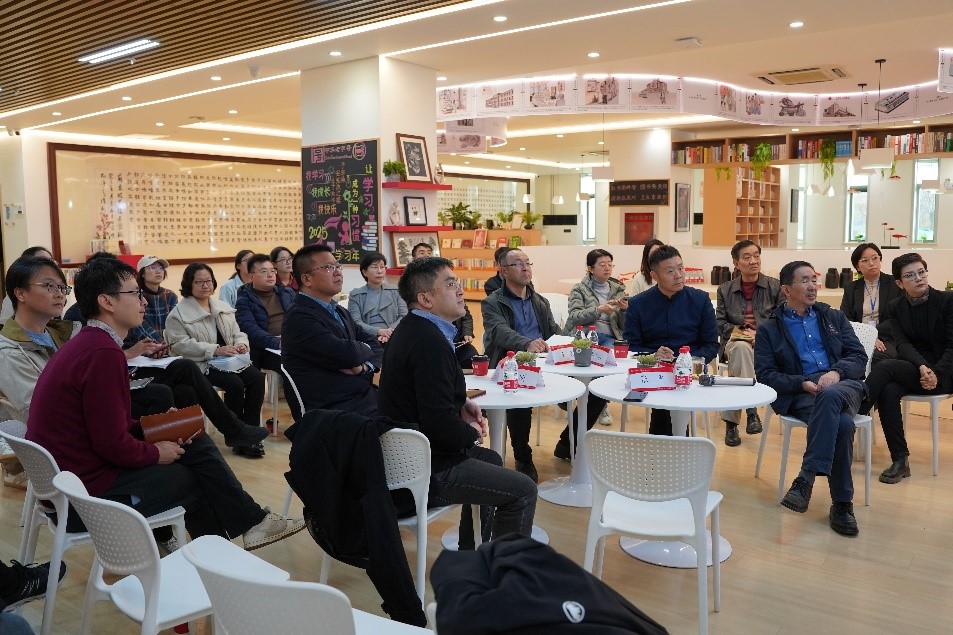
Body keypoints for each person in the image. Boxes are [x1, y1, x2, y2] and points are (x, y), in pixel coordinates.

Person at [25, 257, 304, 550]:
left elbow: (106, 425)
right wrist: (155, 452)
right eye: (134, 293)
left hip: (73, 478)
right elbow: (111, 443)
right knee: (194, 479)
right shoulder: (102, 353)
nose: (143, 301)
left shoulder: (91, 343)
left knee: (192, 436)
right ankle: (228, 547)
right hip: (84, 493)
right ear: (106, 301)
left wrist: (156, 427)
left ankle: (245, 531)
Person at [379, 256, 537, 548]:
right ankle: (505, 571)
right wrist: (471, 433)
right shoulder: (428, 342)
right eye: (451, 285)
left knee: (492, 459)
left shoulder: (417, 330)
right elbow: (439, 425)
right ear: (425, 299)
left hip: (416, 455)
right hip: (424, 469)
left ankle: (472, 552)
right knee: (523, 490)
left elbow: (426, 396)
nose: (461, 291)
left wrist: (461, 403)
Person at [0, 256, 175, 490]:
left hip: (83, 428)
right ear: (20, 293)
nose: (60, 294)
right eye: (49, 286)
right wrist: (152, 451)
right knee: (166, 412)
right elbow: (37, 410)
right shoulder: (8, 351)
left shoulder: (64, 333)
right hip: (72, 456)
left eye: (62, 287)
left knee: (170, 392)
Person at [755, 260, 867, 536]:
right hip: (804, 392)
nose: (812, 286)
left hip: (844, 385)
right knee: (843, 425)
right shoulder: (770, 329)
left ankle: (805, 477)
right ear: (786, 289)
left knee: (830, 395)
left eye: (813, 280)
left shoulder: (833, 317)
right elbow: (766, 375)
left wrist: (836, 373)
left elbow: (858, 357)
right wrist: (801, 383)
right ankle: (842, 504)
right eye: (804, 280)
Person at [861, 253, 953, 484]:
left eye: (921, 272)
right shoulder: (896, 307)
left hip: (946, 372)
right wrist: (922, 366)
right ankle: (900, 460)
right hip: (917, 370)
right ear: (900, 283)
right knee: (888, 390)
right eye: (910, 275)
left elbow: (952, 346)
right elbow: (902, 344)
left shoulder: (947, 301)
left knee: (885, 368)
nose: (918, 278)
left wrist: (936, 373)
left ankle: (853, 414)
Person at [165, 263, 267, 458]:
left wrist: (241, 344)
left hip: (230, 360)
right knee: (235, 384)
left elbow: (238, 332)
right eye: (199, 282)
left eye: (208, 281)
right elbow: (179, 345)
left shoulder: (222, 307)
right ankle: (236, 435)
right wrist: (214, 350)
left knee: (256, 379)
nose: (205, 285)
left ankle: (250, 433)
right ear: (189, 284)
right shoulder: (178, 314)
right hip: (202, 363)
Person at [482, 249, 560, 482]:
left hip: (545, 362)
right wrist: (526, 344)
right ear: (504, 271)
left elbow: (553, 332)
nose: (525, 268)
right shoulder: (492, 302)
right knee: (518, 397)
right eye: (518, 264)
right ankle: (523, 457)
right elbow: (499, 331)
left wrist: (567, 342)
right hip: (512, 361)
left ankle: (566, 443)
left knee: (590, 391)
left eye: (528, 263)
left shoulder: (540, 301)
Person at [623, 244, 718, 435]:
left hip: (692, 371)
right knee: (665, 397)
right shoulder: (638, 304)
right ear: (654, 276)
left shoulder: (700, 300)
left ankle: (665, 448)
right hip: (654, 371)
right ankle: (672, 447)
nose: (678, 275)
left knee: (674, 396)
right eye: (670, 271)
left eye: (681, 268)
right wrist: (653, 355)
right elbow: (631, 346)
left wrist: (685, 361)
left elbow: (711, 345)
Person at [282, 245, 382, 416]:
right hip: (335, 410)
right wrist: (363, 349)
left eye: (338, 266)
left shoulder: (338, 310)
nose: (337, 272)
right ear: (307, 279)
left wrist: (363, 367)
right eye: (328, 267)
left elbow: (376, 345)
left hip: (362, 397)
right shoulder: (299, 318)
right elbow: (348, 355)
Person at [715, 240, 781, 446]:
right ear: (736, 263)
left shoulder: (775, 286)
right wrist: (742, 333)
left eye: (756, 256)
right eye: (747, 257)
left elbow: (781, 320)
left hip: (766, 345)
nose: (753, 261)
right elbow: (719, 323)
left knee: (740, 360)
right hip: (735, 341)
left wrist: (759, 334)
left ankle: (731, 425)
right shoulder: (725, 289)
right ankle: (751, 409)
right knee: (741, 348)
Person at [560, 248, 628, 442]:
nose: (607, 268)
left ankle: (599, 402)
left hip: (611, 337)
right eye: (602, 265)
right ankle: (596, 403)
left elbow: (624, 326)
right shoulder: (579, 289)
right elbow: (574, 316)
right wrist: (598, 310)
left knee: (612, 361)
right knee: (596, 359)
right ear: (590, 268)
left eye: (610, 264)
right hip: (585, 336)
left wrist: (624, 311)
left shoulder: (619, 289)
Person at [412, 244, 478, 367]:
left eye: (429, 252)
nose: (427, 255)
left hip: (457, 341)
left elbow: (465, 314)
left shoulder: (447, 282)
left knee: (473, 357)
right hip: (432, 343)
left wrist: (467, 333)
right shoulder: (413, 286)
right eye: (422, 252)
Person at [840, 243, 901, 365]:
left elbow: (897, 317)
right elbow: (845, 318)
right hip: (858, 336)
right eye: (865, 260)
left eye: (875, 258)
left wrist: (873, 336)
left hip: (886, 337)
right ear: (857, 267)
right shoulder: (851, 288)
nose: (872, 263)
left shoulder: (895, 284)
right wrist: (865, 336)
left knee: (879, 356)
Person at [235, 253, 295, 373]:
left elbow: (300, 318)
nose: (270, 275)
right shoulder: (244, 300)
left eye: (272, 271)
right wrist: (278, 343)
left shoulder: (287, 293)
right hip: (266, 349)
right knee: (293, 364)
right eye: (264, 271)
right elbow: (250, 330)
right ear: (251, 276)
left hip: (293, 342)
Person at [347, 252, 407, 345]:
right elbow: (355, 322)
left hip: (394, 335)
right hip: (367, 338)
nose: (379, 271)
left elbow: (404, 315)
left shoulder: (395, 291)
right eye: (375, 267)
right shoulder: (356, 295)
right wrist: (379, 331)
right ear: (364, 272)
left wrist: (389, 331)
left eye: (382, 267)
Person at [0, 246, 54, 321]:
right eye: (42, 260)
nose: (49, 264)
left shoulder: (55, 290)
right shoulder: (17, 295)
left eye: (50, 260)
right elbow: (4, 323)